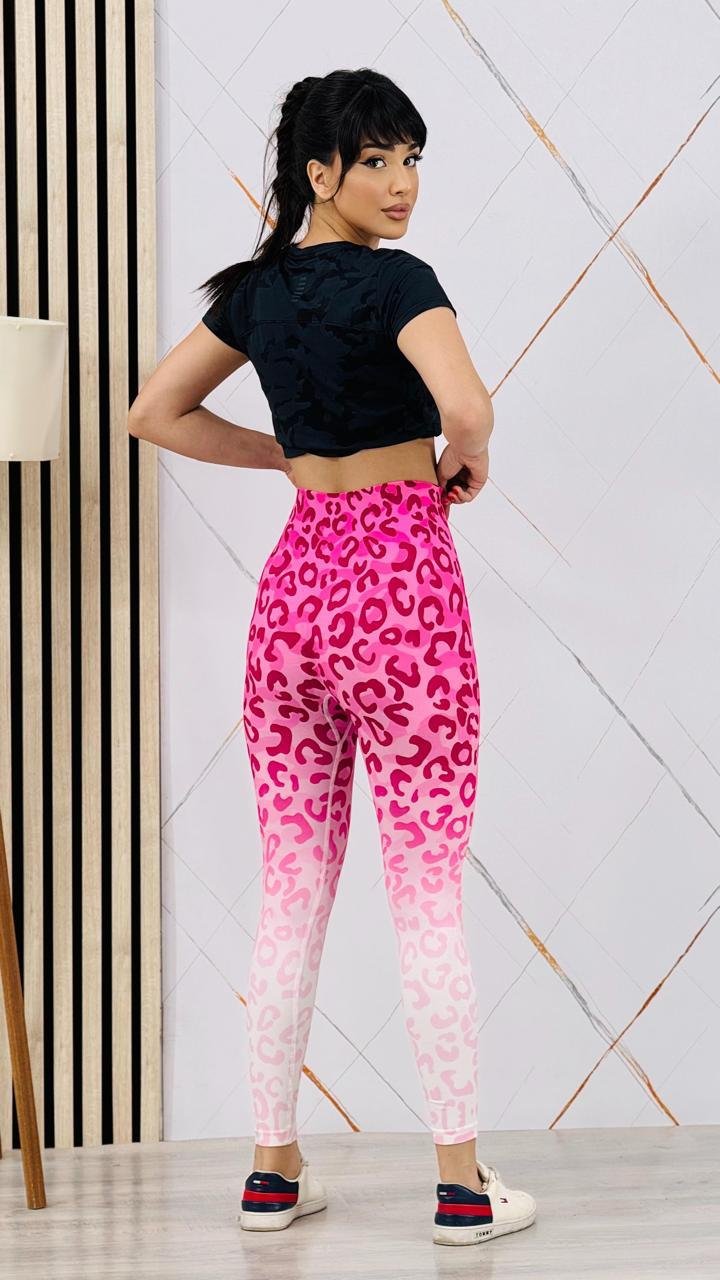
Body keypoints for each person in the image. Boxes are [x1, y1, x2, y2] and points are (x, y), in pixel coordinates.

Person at [128, 67, 536, 1249]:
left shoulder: (256, 292)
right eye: (377, 161)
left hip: (296, 593)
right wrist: (463, 457)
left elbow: (153, 410)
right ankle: (461, 1184)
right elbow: (471, 407)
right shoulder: (401, 282)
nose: (403, 184)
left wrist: (282, 457)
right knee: (425, 887)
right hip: (403, 589)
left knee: (291, 881)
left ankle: (271, 1170)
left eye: (413, 159)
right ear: (321, 172)